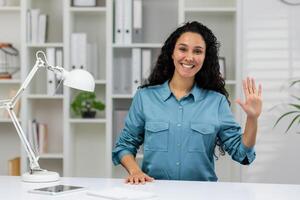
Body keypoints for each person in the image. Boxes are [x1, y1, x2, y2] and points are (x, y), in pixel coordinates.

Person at [112, 21, 262, 184]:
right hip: (155, 192)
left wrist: (252, 118)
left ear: (205, 58)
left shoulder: (216, 102)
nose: (189, 57)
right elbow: (124, 145)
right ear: (172, 53)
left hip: (202, 194)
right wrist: (135, 171)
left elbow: (242, 153)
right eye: (183, 49)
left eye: (197, 51)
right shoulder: (145, 97)